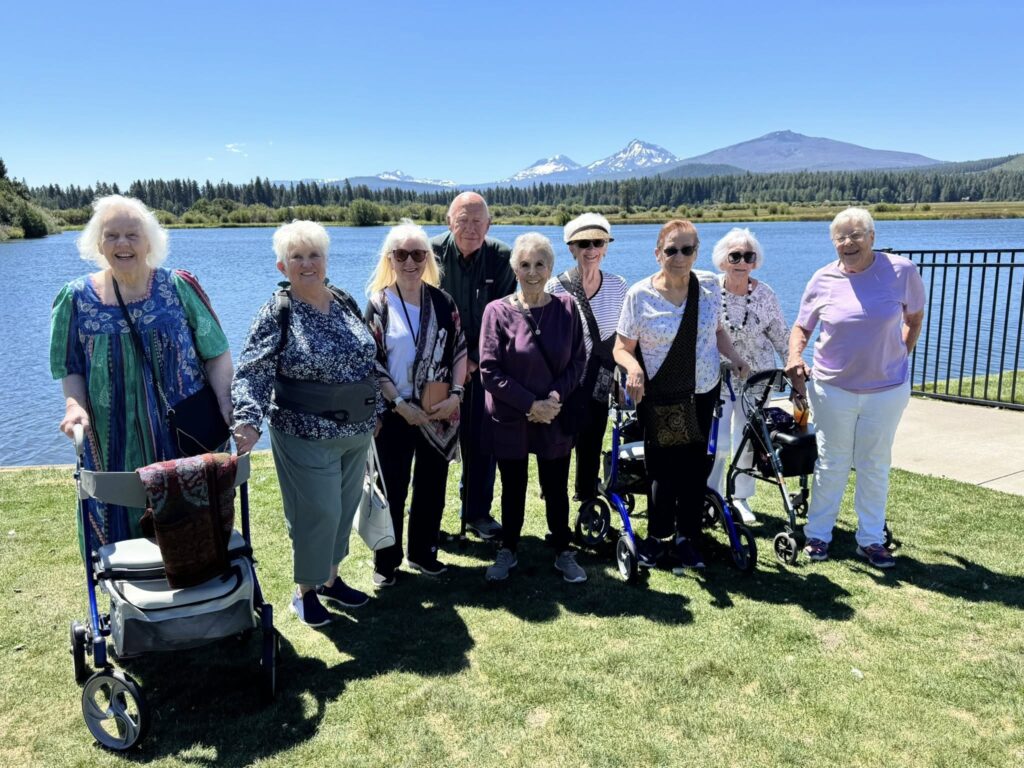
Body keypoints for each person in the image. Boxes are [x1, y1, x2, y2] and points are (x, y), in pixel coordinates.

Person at [51, 194, 232, 544]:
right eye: (111, 235)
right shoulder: (75, 298)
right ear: (98, 244)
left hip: (182, 434)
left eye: (132, 235)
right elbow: (70, 367)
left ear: (149, 241)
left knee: (192, 529)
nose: (122, 243)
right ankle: (125, 592)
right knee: (119, 526)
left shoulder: (177, 287)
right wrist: (74, 405)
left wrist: (226, 400)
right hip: (110, 439)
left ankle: (198, 588)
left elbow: (217, 352)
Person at [232, 220, 380, 627]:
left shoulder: (344, 300)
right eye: (296, 256)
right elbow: (252, 370)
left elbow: (368, 361)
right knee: (317, 512)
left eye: (314, 254)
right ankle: (305, 592)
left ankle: (331, 580)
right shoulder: (278, 312)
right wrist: (247, 418)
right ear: (283, 266)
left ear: (326, 260)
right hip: (304, 432)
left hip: (356, 432)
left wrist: (377, 410)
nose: (307, 263)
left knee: (343, 510)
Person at [787, 207, 925, 569]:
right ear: (834, 242)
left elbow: (914, 317)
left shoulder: (902, 271)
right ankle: (818, 537)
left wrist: (898, 354)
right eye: (841, 237)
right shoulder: (822, 278)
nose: (848, 243)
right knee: (832, 462)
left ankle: (871, 540)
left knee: (874, 463)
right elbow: (801, 327)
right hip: (832, 388)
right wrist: (795, 357)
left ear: (872, 237)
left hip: (887, 389)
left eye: (856, 235)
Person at [614, 220, 749, 572]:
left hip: (703, 393)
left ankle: (688, 538)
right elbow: (621, 348)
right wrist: (634, 369)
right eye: (671, 249)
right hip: (662, 397)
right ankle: (659, 537)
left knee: (694, 468)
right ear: (658, 252)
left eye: (687, 249)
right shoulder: (639, 296)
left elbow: (717, 331)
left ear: (696, 252)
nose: (679, 256)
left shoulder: (706, 289)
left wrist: (734, 358)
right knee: (664, 470)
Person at [478, 233, 587, 582]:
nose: (533, 271)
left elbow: (578, 361)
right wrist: (530, 404)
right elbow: (488, 370)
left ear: (551, 267)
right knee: (513, 486)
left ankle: (562, 550)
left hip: (554, 415)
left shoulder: (566, 308)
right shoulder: (496, 311)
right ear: (514, 269)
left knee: (556, 487)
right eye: (524, 265)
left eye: (540, 264)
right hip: (512, 417)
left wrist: (552, 399)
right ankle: (508, 548)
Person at [365, 220, 467, 587]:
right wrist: (397, 404)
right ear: (390, 259)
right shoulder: (378, 304)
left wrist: (456, 394)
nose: (410, 262)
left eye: (417, 254)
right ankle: (386, 561)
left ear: (428, 258)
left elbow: (459, 350)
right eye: (401, 254)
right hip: (395, 413)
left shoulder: (443, 302)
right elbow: (372, 361)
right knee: (391, 488)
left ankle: (423, 552)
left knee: (431, 486)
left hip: (437, 412)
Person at [432, 192, 517, 541]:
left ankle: (477, 513)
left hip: (484, 369)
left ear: (489, 224)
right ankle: (427, 518)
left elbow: (508, 318)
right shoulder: (429, 253)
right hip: (435, 368)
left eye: (477, 221)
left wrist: (474, 361)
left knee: (483, 444)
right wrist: (454, 362)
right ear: (449, 222)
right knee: (433, 445)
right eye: (463, 220)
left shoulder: (502, 258)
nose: (470, 228)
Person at [706, 228, 788, 523]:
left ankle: (740, 498)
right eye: (735, 255)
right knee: (717, 439)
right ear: (723, 260)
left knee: (748, 437)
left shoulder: (765, 294)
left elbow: (781, 336)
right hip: (717, 378)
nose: (742, 261)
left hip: (757, 379)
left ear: (755, 261)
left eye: (748, 256)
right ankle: (710, 495)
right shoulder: (709, 290)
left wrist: (794, 366)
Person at [545, 212, 628, 502]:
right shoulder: (555, 287)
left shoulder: (619, 286)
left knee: (592, 442)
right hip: (567, 381)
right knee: (561, 443)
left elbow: (625, 335)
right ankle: (555, 498)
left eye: (597, 242)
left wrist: (622, 375)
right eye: (583, 244)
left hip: (601, 379)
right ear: (571, 248)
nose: (591, 250)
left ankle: (587, 499)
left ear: (606, 246)